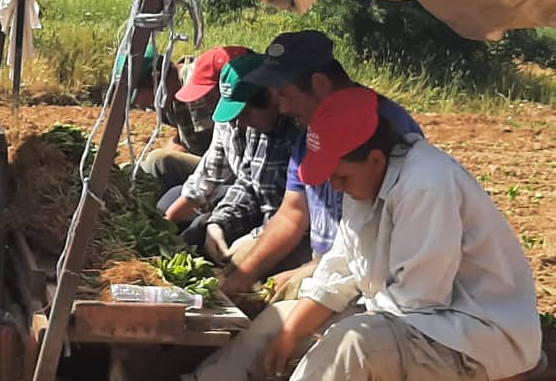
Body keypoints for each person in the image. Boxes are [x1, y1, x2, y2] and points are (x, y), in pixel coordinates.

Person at [161, 85, 542, 381]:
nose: (336, 187)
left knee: (352, 343)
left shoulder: (427, 185)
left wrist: (325, 333)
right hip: (417, 317)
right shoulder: (369, 181)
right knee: (283, 318)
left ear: (376, 159)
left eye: (341, 177)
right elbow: (343, 267)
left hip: (471, 335)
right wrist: (293, 330)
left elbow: (416, 299)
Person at [218, 30, 422, 302]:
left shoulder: (381, 129)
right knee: (236, 268)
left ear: (320, 84)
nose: (281, 108)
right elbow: (293, 213)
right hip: (327, 262)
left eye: (285, 95)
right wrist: (241, 276)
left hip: (369, 279)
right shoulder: (309, 130)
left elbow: (384, 244)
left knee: (277, 308)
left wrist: (313, 270)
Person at [160, 52, 298, 257]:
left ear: (271, 96)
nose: (241, 123)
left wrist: (255, 238)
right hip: (260, 217)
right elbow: (247, 184)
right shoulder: (255, 126)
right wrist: (219, 223)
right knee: (193, 224)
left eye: (246, 113)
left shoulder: (296, 135)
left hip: (286, 233)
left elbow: (290, 217)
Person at [136, 45, 246, 195]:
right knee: (146, 165)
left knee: (160, 161)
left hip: (226, 169)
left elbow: (212, 151)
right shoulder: (168, 97)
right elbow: (184, 140)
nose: (141, 105)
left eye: (138, 96)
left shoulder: (200, 87)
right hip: (213, 164)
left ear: (156, 79)